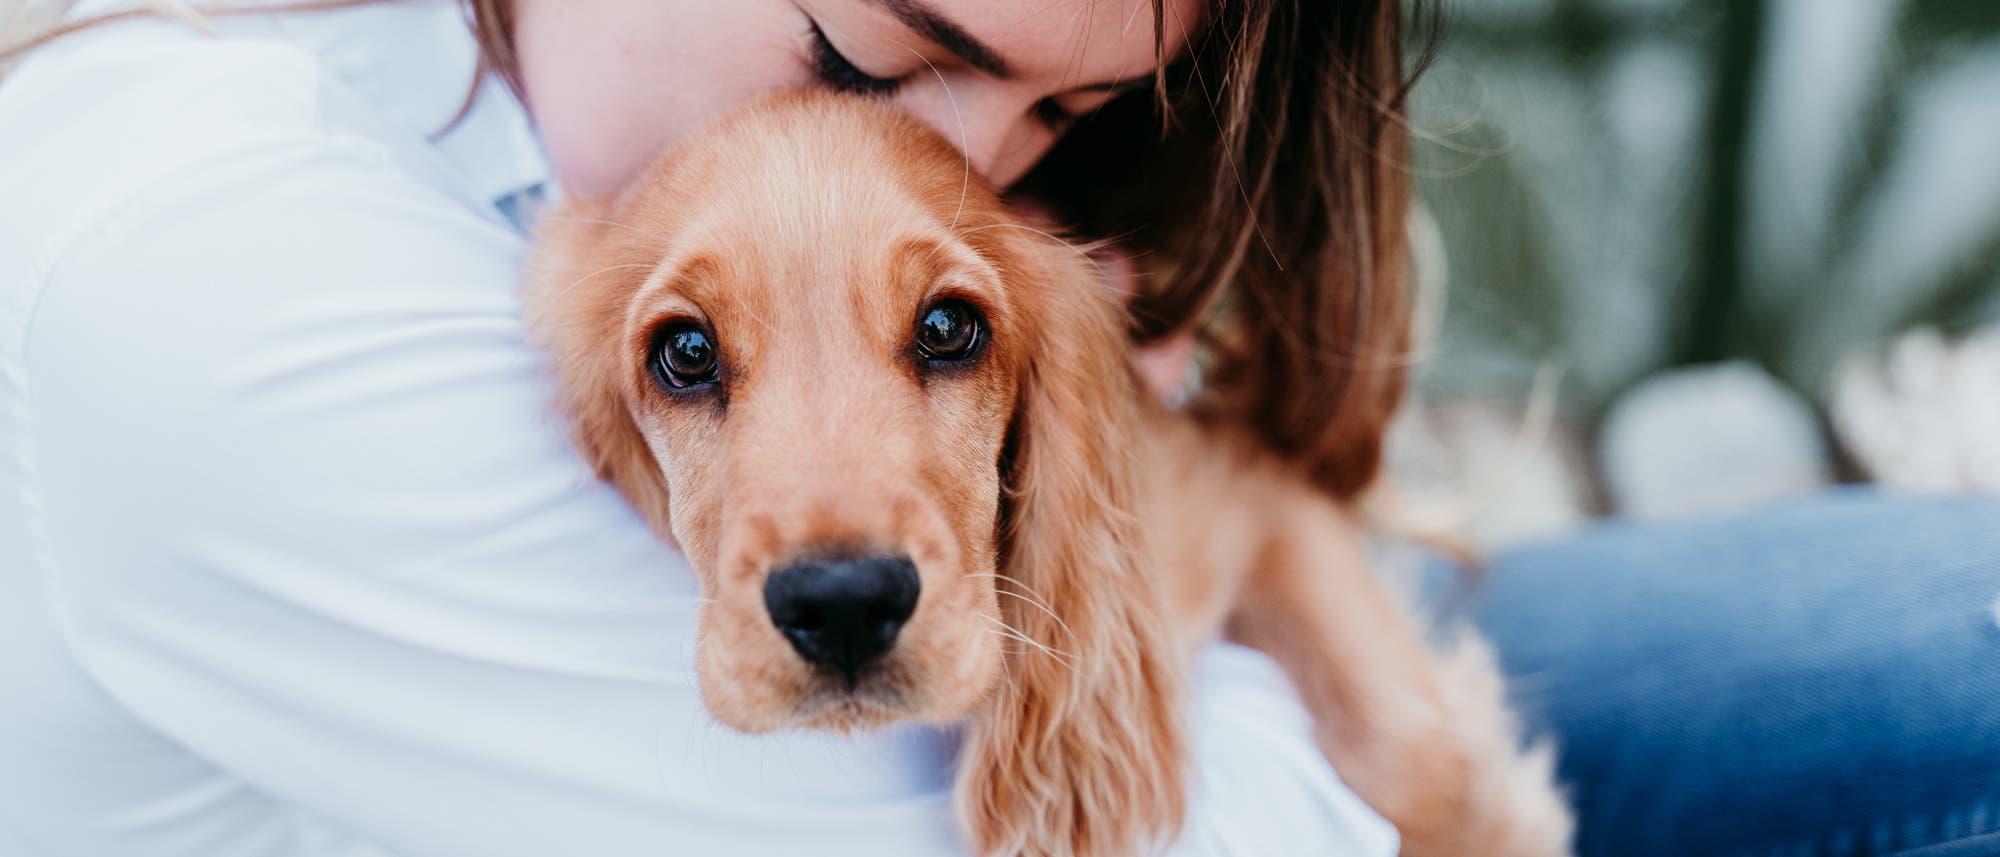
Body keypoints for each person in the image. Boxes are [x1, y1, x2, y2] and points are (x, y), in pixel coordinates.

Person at [0, 2, 1995, 856]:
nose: (968, 184)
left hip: (1274, 672)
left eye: (1050, 117)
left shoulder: (535, 122)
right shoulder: (207, 275)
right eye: (880, 53)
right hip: (1233, 763)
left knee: (1964, 621)